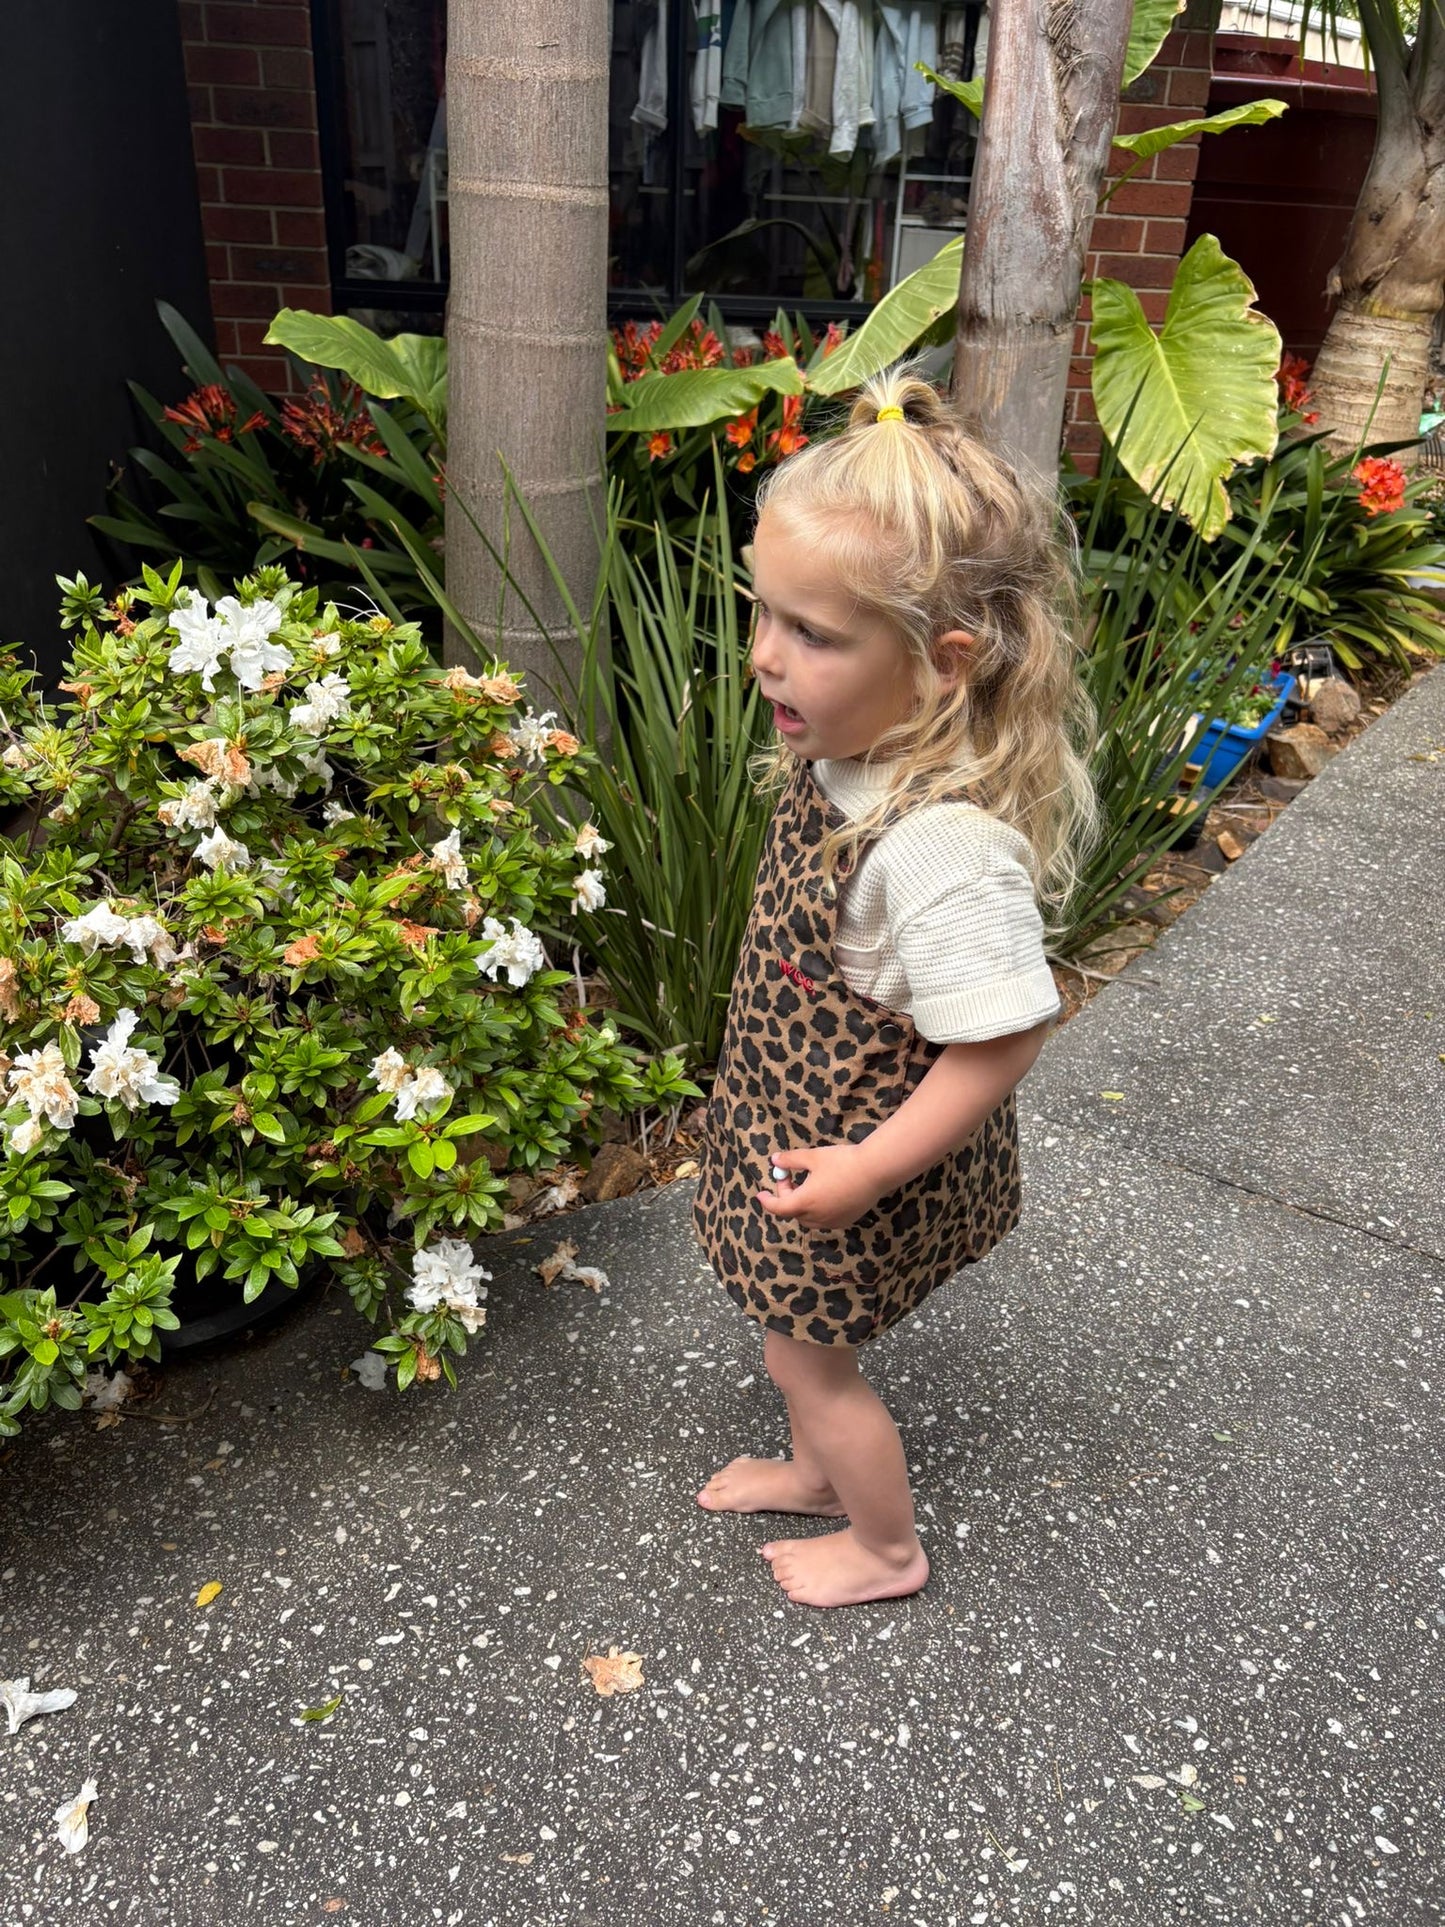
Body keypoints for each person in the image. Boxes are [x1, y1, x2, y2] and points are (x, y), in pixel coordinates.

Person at [692, 364, 1097, 1609]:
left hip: (862, 1150)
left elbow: (1002, 1037)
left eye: (812, 634)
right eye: (763, 614)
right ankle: (818, 1480)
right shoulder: (853, 759)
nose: (767, 658)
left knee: (810, 1356)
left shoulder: (935, 846)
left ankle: (882, 1545)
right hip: (795, 1118)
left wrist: (867, 1168)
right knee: (787, 1331)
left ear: (940, 662)